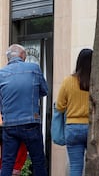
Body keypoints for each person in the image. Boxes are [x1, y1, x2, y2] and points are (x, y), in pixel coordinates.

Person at [0, 44, 48, 176]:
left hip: (9, 124)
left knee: (7, 162)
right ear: (22, 55)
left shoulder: (1, 74)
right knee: (38, 160)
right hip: (30, 122)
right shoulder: (34, 69)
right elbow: (44, 91)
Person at [56, 48, 93, 176]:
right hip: (92, 127)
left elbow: (59, 106)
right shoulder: (96, 82)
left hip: (72, 127)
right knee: (94, 166)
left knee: (75, 167)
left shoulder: (68, 81)